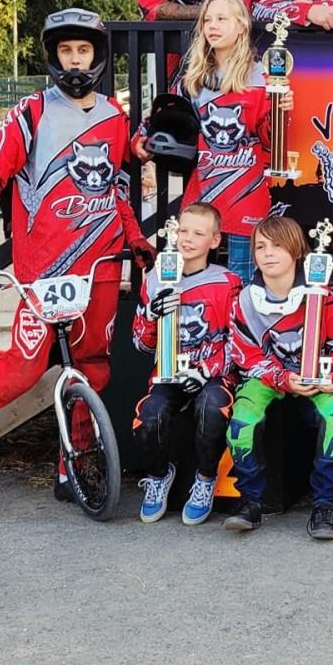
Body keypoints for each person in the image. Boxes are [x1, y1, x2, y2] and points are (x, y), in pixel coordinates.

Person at [0, 9, 157, 490]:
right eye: (65, 51)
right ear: (51, 56)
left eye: (83, 50)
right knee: (20, 373)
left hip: (100, 266)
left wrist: (133, 237)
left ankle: (73, 468)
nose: (75, 61)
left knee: (94, 372)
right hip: (44, 272)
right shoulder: (29, 114)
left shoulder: (114, 117)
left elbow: (118, 187)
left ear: (98, 55)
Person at [133, 0, 290, 283]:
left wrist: (281, 112)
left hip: (247, 191)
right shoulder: (193, 79)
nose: (212, 26)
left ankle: (238, 330)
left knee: (242, 280)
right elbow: (162, 119)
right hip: (203, 190)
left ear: (242, 25)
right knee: (192, 276)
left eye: (221, 19)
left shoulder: (263, 78)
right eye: (207, 20)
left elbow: (272, 142)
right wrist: (142, 140)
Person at [225, 216, 333, 538]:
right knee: (241, 425)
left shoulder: (321, 295)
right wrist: (282, 379)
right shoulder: (244, 300)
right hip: (269, 378)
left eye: (277, 246)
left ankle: (323, 505)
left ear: (297, 251)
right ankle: (251, 501)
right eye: (260, 247)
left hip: (317, 377)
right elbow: (245, 355)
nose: (268, 254)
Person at [131, 202, 242, 526]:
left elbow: (239, 342)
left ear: (215, 240)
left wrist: (206, 369)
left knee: (212, 406)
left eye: (198, 233)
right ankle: (158, 476)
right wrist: (150, 314)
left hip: (212, 373)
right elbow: (140, 344)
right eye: (183, 230)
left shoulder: (227, 282)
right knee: (148, 416)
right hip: (168, 373)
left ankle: (206, 479)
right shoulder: (155, 279)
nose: (188, 238)